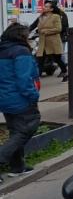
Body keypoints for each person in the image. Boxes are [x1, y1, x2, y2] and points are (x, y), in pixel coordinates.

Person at [0, 23, 40, 181]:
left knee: (16, 131)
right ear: (21, 36)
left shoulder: (2, 50)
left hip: (5, 98)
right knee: (27, 128)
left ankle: (17, 167)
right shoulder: (20, 51)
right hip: (19, 98)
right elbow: (24, 79)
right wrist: (33, 95)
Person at [36, 0, 67, 80]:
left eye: (46, 6)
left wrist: (46, 31)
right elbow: (38, 28)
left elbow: (58, 29)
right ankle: (36, 79)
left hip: (53, 42)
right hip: (43, 42)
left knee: (57, 59)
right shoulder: (41, 17)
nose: (44, 7)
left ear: (51, 9)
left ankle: (65, 72)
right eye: (44, 6)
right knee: (40, 60)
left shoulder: (56, 16)